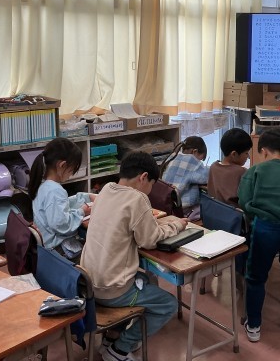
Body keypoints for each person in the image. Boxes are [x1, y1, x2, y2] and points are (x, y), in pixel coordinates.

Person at [81, 151, 188, 361]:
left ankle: (111, 337)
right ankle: (119, 349)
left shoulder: (106, 189)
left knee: (146, 279)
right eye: (152, 185)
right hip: (112, 290)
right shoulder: (137, 198)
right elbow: (149, 240)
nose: (150, 191)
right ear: (143, 177)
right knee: (168, 305)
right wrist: (176, 225)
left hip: (89, 284)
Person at [238, 128, 280, 342]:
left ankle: (254, 325)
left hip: (265, 228)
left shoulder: (255, 171)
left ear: (263, 151)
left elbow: (244, 202)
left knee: (256, 277)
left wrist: (256, 213)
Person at [28, 137, 95, 258]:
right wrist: (82, 211)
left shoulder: (43, 185)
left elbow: (60, 205)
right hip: (58, 250)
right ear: (62, 165)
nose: (71, 175)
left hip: (46, 246)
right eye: (72, 170)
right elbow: (62, 225)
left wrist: (86, 197)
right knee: (94, 255)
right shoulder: (55, 191)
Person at [161, 136, 209, 218]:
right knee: (207, 208)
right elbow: (206, 177)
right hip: (180, 209)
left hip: (166, 205)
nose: (199, 162)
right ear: (194, 151)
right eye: (200, 159)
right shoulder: (191, 160)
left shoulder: (173, 156)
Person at [207, 128, 253, 206]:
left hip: (214, 210)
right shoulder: (241, 172)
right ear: (234, 154)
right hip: (234, 212)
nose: (248, 156)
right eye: (246, 153)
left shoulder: (213, 166)